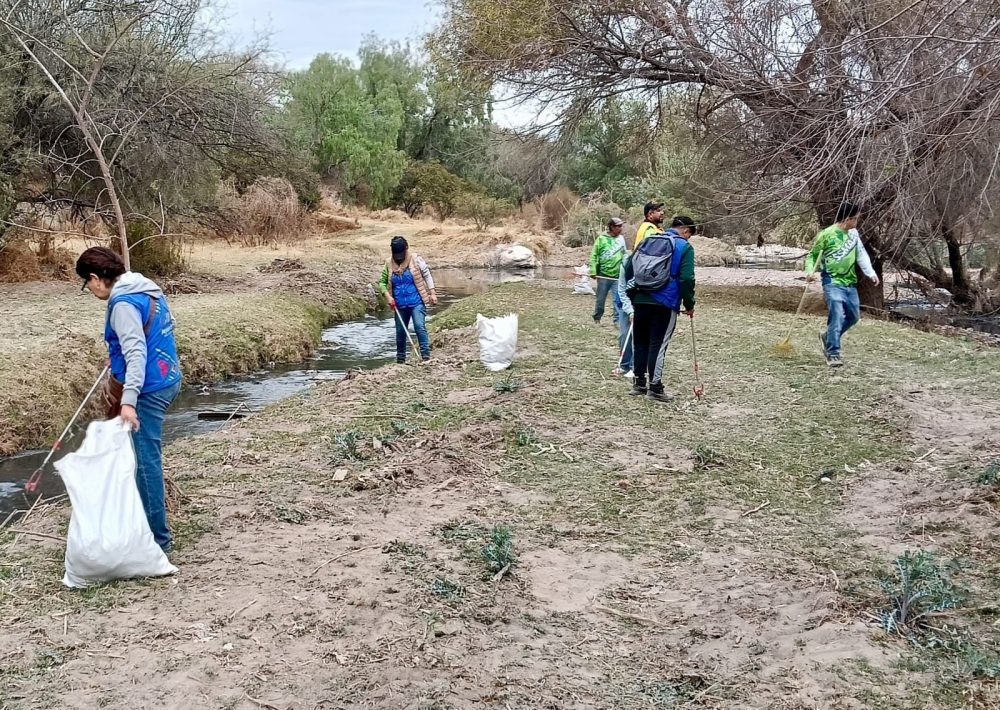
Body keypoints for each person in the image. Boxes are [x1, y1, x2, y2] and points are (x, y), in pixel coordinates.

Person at [76, 246, 182, 553]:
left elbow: (137, 352)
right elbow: (162, 329)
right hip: (168, 377)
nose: (90, 289)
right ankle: (134, 522)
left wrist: (129, 401)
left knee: (145, 462)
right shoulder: (146, 287)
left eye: (87, 283)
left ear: (96, 278)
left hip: (148, 388)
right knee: (138, 456)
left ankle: (156, 542)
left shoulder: (121, 304)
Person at [622, 215, 697, 402]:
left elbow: (629, 266)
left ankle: (639, 384)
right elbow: (687, 279)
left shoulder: (649, 240)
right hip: (665, 301)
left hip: (640, 298)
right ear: (686, 230)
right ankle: (655, 388)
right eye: (690, 234)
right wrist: (689, 305)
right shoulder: (684, 247)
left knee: (640, 342)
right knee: (658, 344)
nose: (688, 238)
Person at [805, 202, 880, 368]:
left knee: (853, 317)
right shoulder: (827, 234)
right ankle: (833, 353)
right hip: (832, 281)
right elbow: (813, 255)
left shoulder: (854, 234)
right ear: (848, 219)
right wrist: (810, 271)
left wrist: (871, 273)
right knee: (837, 315)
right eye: (856, 219)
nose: (857, 222)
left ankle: (828, 336)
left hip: (849, 282)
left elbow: (861, 254)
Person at [378, 236, 438, 363]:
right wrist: (388, 296)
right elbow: (382, 283)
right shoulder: (388, 264)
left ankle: (425, 356)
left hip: (416, 302)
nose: (399, 257)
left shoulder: (416, 259)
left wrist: (432, 293)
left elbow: (427, 274)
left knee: (419, 326)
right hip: (399, 305)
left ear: (406, 248)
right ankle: (400, 360)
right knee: (400, 332)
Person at [589, 217, 627, 324]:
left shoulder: (621, 239)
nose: (620, 228)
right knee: (600, 299)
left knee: (618, 299)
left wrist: (626, 269)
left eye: (621, 226)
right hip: (603, 275)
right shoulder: (601, 239)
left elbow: (624, 254)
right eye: (618, 226)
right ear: (611, 227)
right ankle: (597, 318)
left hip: (617, 275)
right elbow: (594, 255)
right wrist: (593, 270)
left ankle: (617, 320)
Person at [614, 248, 635, 378]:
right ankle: (624, 365)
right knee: (624, 334)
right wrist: (630, 310)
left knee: (638, 337)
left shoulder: (648, 265)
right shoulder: (625, 264)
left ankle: (635, 367)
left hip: (641, 303)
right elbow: (621, 290)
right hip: (625, 302)